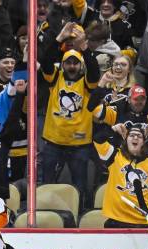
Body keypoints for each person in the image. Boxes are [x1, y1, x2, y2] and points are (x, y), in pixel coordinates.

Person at [39, 22, 100, 200]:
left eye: (75, 63)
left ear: (81, 65)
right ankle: (46, 215)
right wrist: (59, 39)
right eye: (68, 63)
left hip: (79, 145)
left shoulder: (88, 83)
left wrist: (84, 48)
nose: (72, 66)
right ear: (63, 65)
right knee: (47, 185)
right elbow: (46, 60)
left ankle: (79, 216)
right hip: (53, 142)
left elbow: (95, 72)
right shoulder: (55, 78)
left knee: (80, 186)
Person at [94, 123, 148, 227]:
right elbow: (97, 139)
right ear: (126, 139)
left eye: (139, 136)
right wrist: (112, 130)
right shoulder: (115, 157)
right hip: (117, 220)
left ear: (143, 142)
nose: (135, 137)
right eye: (132, 135)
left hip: (143, 222)